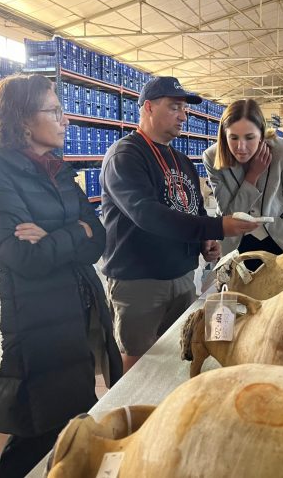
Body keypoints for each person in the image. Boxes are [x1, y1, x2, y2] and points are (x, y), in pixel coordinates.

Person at [0, 74, 122, 478]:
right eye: (53, 111)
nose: (65, 119)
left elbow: (99, 237)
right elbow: (23, 256)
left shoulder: (60, 173)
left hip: (74, 320)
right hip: (32, 331)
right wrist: (74, 232)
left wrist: (59, 236)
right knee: (35, 436)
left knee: (70, 426)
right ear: (22, 120)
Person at [101, 76, 258, 373]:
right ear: (148, 107)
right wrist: (218, 227)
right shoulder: (126, 156)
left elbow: (192, 207)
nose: (184, 116)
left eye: (184, 109)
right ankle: (136, 416)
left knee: (180, 350)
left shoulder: (181, 160)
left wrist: (204, 241)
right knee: (138, 361)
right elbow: (147, 214)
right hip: (140, 281)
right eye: (175, 107)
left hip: (183, 277)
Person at [203, 99, 283, 264]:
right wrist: (252, 176)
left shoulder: (282, 150)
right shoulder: (212, 157)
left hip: (280, 239)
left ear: (262, 134)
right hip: (236, 242)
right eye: (233, 138)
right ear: (223, 135)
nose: (241, 147)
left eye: (249, 137)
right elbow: (229, 214)